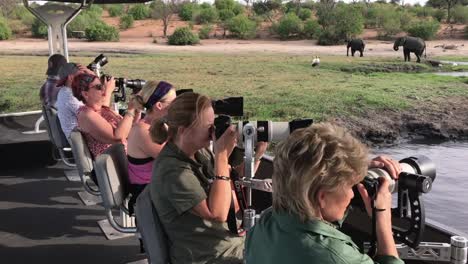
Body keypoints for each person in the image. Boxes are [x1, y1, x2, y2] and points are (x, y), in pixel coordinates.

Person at [245, 122, 404, 264]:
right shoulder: (337, 257)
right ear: (322, 197)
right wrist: (382, 218)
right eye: (350, 187)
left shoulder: (266, 223)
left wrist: (354, 170)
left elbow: (313, 192)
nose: (352, 195)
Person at [150, 92, 266, 264]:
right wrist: (221, 155)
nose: (214, 132)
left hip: (226, 242)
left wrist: (256, 153)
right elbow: (218, 213)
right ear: (183, 131)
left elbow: (231, 185)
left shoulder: (199, 152)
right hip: (206, 256)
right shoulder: (171, 170)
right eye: (209, 126)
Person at [126, 80, 176, 214]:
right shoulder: (144, 131)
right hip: (147, 193)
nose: (177, 106)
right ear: (159, 105)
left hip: (157, 186)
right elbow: (175, 160)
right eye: (174, 103)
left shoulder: (158, 125)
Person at [72, 72, 139, 158]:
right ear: (85, 94)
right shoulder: (86, 114)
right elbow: (118, 136)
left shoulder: (102, 109)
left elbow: (128, 129)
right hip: (117, 162)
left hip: (129, 154)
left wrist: (137, 112)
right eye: (99, 87)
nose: (104, 89)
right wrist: (131, 109)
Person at [56, 63, 117, 142]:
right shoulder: (69, 96)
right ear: (71, 78)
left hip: (85, 138)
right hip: (86, 143)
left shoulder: (66, 91)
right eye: (82, 75)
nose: (85, 78)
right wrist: (107, 91)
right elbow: (98, 112)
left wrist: (94, 79)